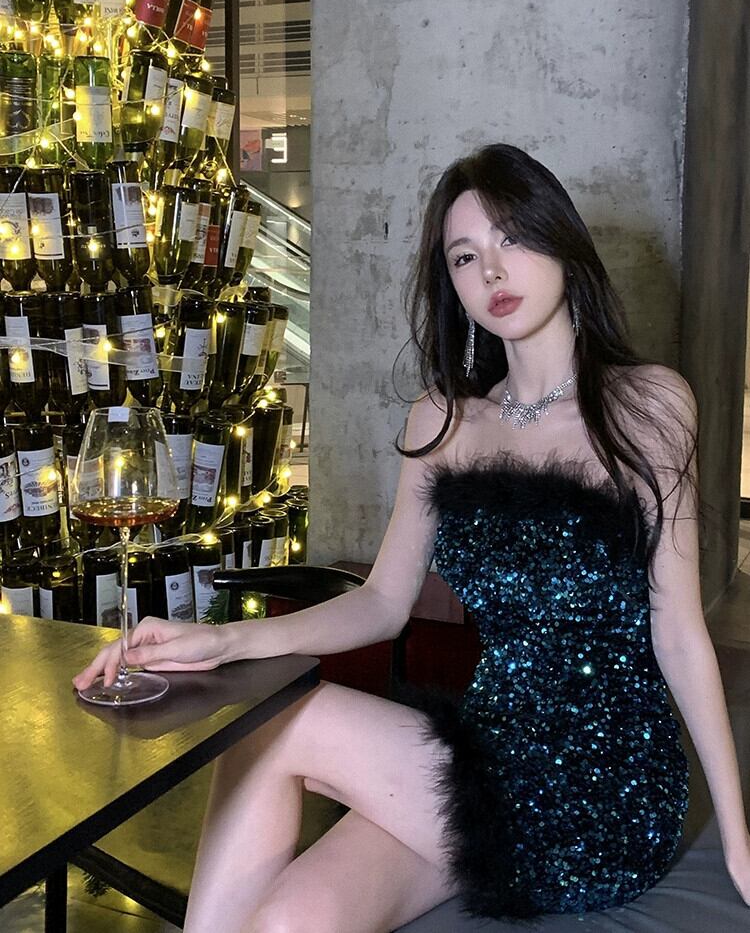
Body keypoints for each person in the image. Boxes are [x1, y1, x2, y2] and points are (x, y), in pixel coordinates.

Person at [74, 144, 750, 932]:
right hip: (474, 760)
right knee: (290, 919)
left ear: (562, 241)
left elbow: (678, 632)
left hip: (602, 789)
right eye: (465, 256)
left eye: (513, 237)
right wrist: (221, 642)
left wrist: (739, 839)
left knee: (277, 720)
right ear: (450, 281)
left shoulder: (651, 405)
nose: (492, 270)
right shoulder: (443, 421)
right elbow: (383, 602)